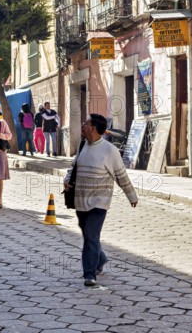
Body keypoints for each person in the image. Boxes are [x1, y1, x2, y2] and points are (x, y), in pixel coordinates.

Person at [64, 114, 138, 287]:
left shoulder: (109, 150)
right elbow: (73, 168)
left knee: (90, 235)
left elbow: (121, 175)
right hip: (80, 200)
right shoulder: (82, 146)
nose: (83, 126)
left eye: (86, 123)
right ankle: (101, 258)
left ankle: (89, 274)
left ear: (94, 128)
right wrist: (67, 180)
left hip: (99, 202)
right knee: (89, 235)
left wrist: (131, 196)